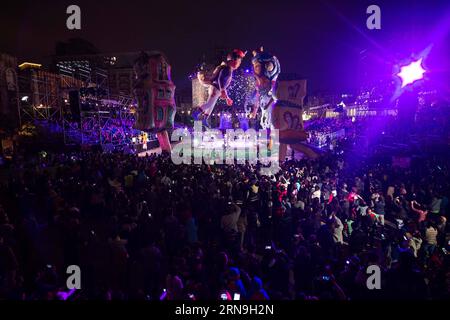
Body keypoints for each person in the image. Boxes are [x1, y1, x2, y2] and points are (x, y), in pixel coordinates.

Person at [193, 49, 246, 128]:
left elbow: (223, 84)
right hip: (215, 88)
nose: (239, 64)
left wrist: (227, 97)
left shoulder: (228, 69)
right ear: (234, 60)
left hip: (216, 89)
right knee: (209, 104)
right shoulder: (227, 69)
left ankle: (205, 118)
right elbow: (220, 80)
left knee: (211, 105)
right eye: (239, 62)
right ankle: (196, 113)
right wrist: (222, 91)